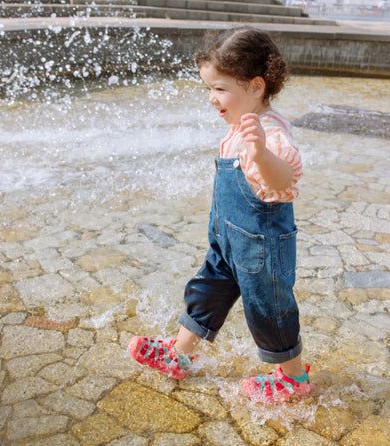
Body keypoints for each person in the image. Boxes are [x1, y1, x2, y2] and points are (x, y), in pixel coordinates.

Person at [127, 27, 313, 403]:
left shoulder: (269, 132)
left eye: (220, 88)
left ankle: (295, 377)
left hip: (261, 248)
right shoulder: (240, 124)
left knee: (268, 308)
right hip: (228, 241)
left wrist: (261, 154)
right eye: (208, 88)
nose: (212, 98)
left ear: (256, 87)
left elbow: (286, 179)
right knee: (206, 290)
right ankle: (179, 354)